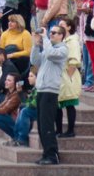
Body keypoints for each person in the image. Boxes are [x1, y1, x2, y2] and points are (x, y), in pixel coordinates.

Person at [30, 24, 68, 165]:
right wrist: (35, 44)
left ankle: (52, 155)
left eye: (54, 33)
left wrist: (45, 38)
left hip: (50, 91)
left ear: (61, 36)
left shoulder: (62, 49)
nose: (51, 34)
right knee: (41, 125)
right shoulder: (48, 48)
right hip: (41, 89)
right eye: (50, 32)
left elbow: (52, 55)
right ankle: (46, 153)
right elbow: (35, 61)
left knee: (47, 124)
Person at [57, 17, 81, 137]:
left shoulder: (72, 41)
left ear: (69, 27)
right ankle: (59, 129)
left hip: (67, 76)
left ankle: (70, 130)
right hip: (60, 76)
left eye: (62, 24)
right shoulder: (61, 41)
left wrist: (68, 76)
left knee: (69, 104)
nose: (59, 26)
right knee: (58, 105)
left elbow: (74, 60)